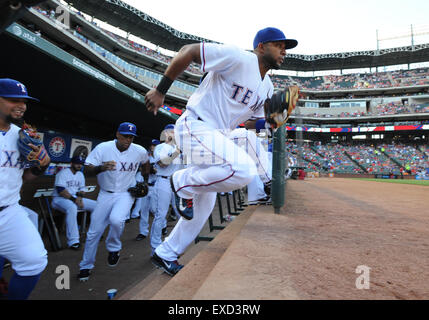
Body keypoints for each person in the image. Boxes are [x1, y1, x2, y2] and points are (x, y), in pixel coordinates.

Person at [145, 27, 297, 275]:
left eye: (285, 47)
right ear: (260, 46)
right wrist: (161, 90)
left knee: (205, 203)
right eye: (278, 45)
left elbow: (251, 125)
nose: (284, 50)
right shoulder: (238, 58)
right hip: (196, 125)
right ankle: (183, 181)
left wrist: (272, 121)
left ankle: (166, 253)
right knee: (244, 170)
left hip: (218, 136)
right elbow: (188, 51)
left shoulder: (267, 87)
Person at [77, 122, 149, 282]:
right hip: (105, 194)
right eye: (125, 136)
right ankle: (85, 266)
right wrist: (101, 168)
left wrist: (144, 180)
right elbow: (87, 169)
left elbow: (146, 163)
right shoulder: (103, 148)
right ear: (117, 134)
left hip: (125, 193)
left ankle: (114, 248)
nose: (128, 139)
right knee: (93, 233)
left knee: (117, 220)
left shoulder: (139, 150)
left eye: (131, 137)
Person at [0, 78, 50, 299]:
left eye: (24, 101)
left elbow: (27, 176)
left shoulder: (23, 136)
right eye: (13, 100)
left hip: (9, 211)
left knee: (34, 261)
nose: (21, 105)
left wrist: (42, 166)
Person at [149, 124, 183, 255]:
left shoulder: (179, 148)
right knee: (161, 215)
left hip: (177, 182)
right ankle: (155, 247)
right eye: (172, 131)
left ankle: (177, 243)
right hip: (163, 181)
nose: (175, 134)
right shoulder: (160, 147)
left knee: (182, 214)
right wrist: (177, 151)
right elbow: (163, 163)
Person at [51, 156, 97, 250]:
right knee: (72, 208)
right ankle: (73, 241)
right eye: (77, 163)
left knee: (97, 206)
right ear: (71, 164)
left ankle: (94, 233)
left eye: (80, 163)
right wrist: (75, 200)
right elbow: (61, 191)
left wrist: (79, 198)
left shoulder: (80, 175)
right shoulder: (63, 173)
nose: (79, 165)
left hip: (74, 198)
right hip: (59, 199)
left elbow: (82, 190)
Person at [134, 139, 160, 240]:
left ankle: (162, 226)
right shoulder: (147, 156)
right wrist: (147, 170)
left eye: (155, 145)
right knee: (143, 210)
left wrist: (154, 170)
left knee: (155, 209)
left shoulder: (161, 157)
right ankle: (143, 232)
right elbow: (142, 169)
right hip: (147, 185)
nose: (152, 147)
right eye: (151, 145)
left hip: (156, 186)